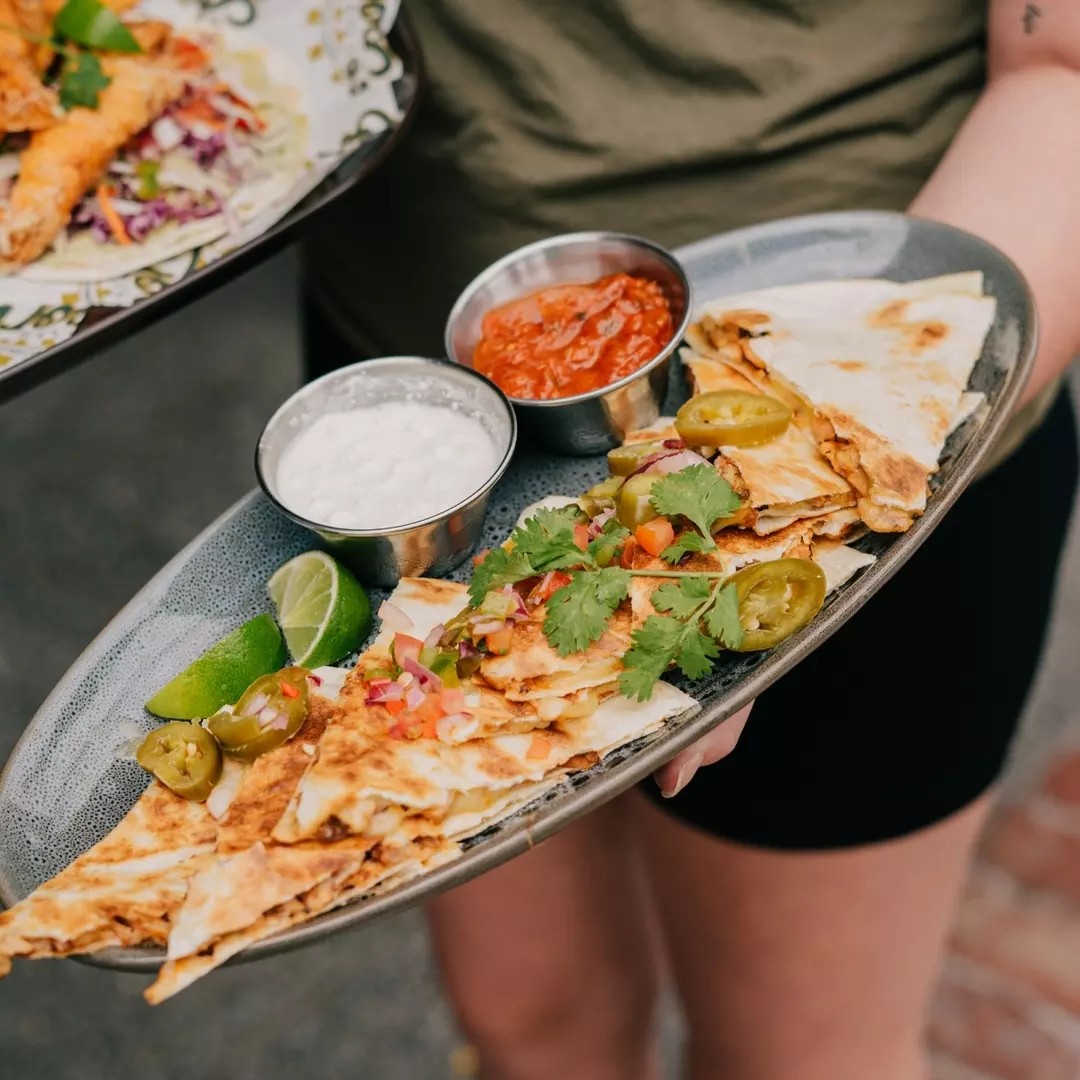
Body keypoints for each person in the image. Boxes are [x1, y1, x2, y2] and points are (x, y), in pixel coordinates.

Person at [301, 3, 1080, 1077]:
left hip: (861, 407)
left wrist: (787, 493)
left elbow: (1064, 68)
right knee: (528, 1022)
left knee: (799, 1059)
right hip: (409, 384)